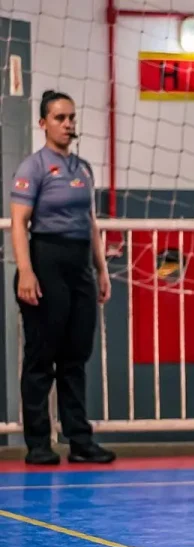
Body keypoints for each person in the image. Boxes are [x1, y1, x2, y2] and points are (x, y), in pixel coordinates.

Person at [10, 90, 115, 465]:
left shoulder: (83, 169)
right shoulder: (34, 167)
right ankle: (38, 442)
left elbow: (90, 223)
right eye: (59, 118)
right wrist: (26, 270)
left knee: (75, 356)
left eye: (71, 117)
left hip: (78, 264)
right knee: (41, 356)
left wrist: (101, 271)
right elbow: (20, 224)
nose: (68, 124)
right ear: (43, 124)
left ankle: (80, 440)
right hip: (45, 259)